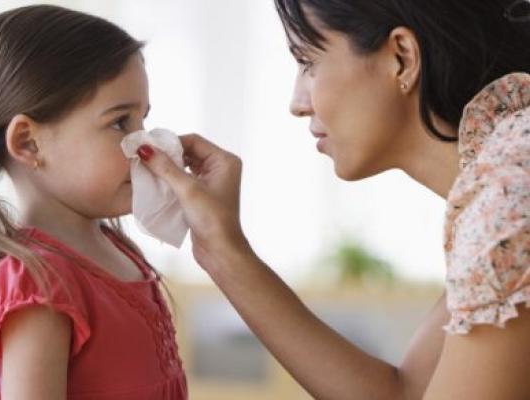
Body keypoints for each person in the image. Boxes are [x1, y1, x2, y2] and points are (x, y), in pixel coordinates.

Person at [136, 0, 530, 398]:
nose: (296, 103)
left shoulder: (507, 194)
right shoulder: (504, 170)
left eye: (307, 61)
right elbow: (407, 393)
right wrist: (222, 250)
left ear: (402, 57)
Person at [0, 5, 187, 400]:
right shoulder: (39, 283)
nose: (146, 144)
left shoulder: (120, 250)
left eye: (143, 121)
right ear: (28, 143)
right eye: (120, 122)